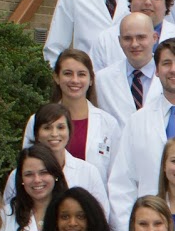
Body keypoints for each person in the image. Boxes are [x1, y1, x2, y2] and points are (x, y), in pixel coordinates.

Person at [30, 50, 120, 178]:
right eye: (67, 73)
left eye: (81, 74)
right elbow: (28, 166)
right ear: (56, 77)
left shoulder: (109, 124)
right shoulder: (37, 121)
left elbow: (116, 176)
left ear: (91, 80)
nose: (75, 80)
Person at [6, 104, 110, 211]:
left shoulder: (89, 172)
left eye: (60, 127)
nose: (54, 134)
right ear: (36, 134)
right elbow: (7, 217)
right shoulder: (18, 175)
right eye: (47, 128)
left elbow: (101, 215)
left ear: (69, 131)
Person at [92, 13, 162, 120]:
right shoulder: (102, 79)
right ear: (119, 41)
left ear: (155, 38)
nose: (134, 44)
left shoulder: (170, 76)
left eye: (141, 37)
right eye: (127, 38)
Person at [1, 144, 69, 231]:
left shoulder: (72, 210)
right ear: (21, 179)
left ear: (55, 174)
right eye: (29, 174)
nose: (37, 180)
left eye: (44, 172)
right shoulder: (6, 215)